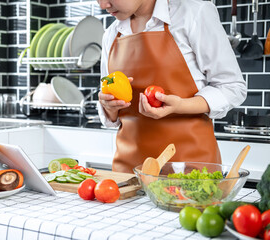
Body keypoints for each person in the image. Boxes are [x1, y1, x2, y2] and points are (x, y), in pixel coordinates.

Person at [97, 0, 247, 173]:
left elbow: (232, 87)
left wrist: (181, 106)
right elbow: (112, 116)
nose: (103, 5)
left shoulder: (193, 14)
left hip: (190, 173)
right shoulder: (111, 34)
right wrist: (109, 107)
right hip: (129, 175)